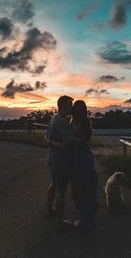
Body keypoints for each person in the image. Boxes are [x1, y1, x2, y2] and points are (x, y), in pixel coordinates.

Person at [48, 100, 98, 232]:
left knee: (78, 192)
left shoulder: (73, 124)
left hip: (78, 161)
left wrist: (49, 141)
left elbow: (68, 144)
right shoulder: (85, 123)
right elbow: (82, 140)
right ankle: (89, 219)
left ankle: (85, 223)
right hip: (87, 157)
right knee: (88, 190)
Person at [46, 95, 74, 230]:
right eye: (70, 105)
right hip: (60, 160)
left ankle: (49, 210)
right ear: (64, 106)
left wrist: (49, 142)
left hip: (52, 157)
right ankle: (60, 222)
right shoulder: (62, 122)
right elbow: (66, 145)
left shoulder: (53, 119)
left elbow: (48, 137)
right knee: (61, 190)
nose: (72, 107)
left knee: (54, 183)